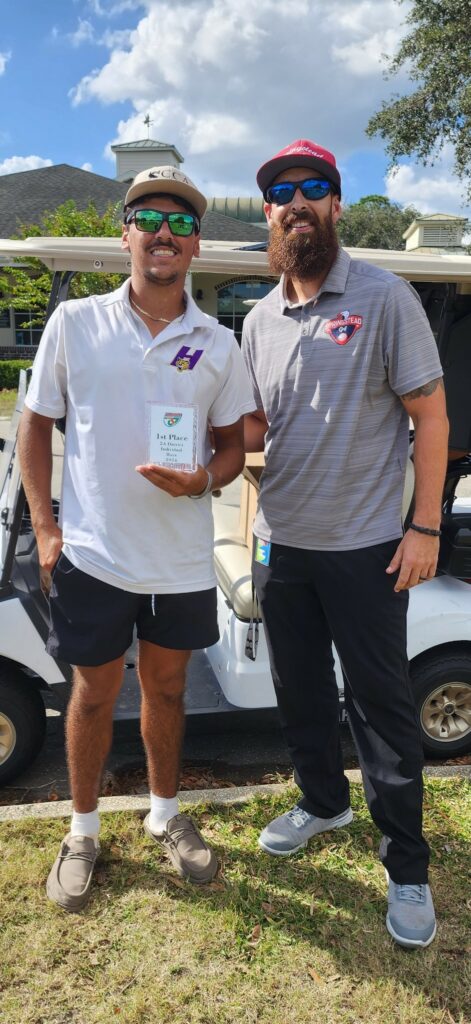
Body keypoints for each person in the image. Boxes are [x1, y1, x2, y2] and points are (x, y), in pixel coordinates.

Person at [19, 165, 255, 912]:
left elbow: (230, 444)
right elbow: (34, 426)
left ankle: (161, 812)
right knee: (93, 696)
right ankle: (83, 831)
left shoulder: (217, 342)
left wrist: (203, 482)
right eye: (149, 218)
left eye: (181, 223)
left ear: (194, 247)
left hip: (180, 562)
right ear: (124, 232)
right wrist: (46, 527)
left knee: (169, 689)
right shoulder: (76, 323)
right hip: (94, 554)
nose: (164, 233)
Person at [242, 139, 449, 949]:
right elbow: (258, 428)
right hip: (279, 545)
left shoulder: (384, 296)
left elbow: (429, 418)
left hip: (366, 548)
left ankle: (406, 868)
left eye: (313, 187)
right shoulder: (258, 318)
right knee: (297, 690)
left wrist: (423, 524)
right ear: (269, 213)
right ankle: (323, 802)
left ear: (335, 204)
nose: (297, 202)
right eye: (281, 191)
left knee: (381, 711)